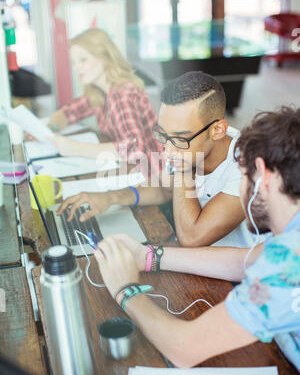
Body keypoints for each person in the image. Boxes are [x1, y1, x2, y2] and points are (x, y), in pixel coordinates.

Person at [93, 106, 300, 372]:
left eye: (243, 175)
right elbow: (244, 261)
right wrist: (149, 256)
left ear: (263, 174)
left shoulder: (288, 258)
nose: (241, 188)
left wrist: (125, 289)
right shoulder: (289, 242)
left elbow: (183, 348)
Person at [58, 71, 265, 249]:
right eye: (163, 135)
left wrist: (182, 169)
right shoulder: (183, 145)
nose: (167, 149)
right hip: (203, 257)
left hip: (241, 276)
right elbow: (165, 189)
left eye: (179, 138)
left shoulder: (247, 168)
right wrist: (111, 197)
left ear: (217, 130)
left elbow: (192, 237)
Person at [44, 28, 164, 176]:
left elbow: (134, 148)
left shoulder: (120, 94)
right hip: (135, 170)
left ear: (105, 57)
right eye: (74, 62)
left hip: (154, 177)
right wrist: (51, 128)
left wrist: (74, 148)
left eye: (83, 60)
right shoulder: (100, 91)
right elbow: (68, 112)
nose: (76, 68)